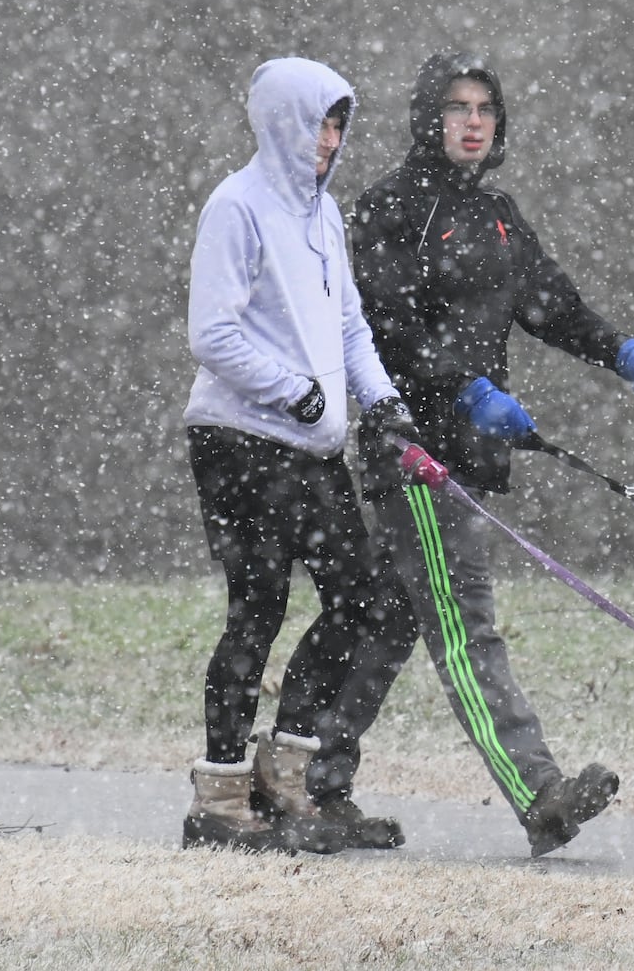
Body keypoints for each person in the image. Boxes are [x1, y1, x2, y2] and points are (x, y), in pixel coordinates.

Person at [348, 52, 634, 857]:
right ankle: (539, 792)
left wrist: (620, 350)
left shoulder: (498, 214)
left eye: (485, 108)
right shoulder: (392, 208)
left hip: (469, 451)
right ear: (429, 118)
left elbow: (549, 304)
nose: (472, 121)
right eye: (456, 107)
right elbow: (383, 328)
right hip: (412, 447)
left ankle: (308, 777)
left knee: (385, 624)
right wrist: (459, 391)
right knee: (465, 626)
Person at [181, 56, 443, 853]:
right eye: (320, 120)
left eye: (340, 123)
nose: (330, 139)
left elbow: (350, 330)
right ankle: (220, 798)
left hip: (313, 444)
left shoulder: (322, 217)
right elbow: (212, 333)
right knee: (257, 607)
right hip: (241, 440)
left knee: (363, 601)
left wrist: (386, 404)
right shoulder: (237, 206)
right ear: (282, 120)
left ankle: (286, 774)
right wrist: (290, 390)